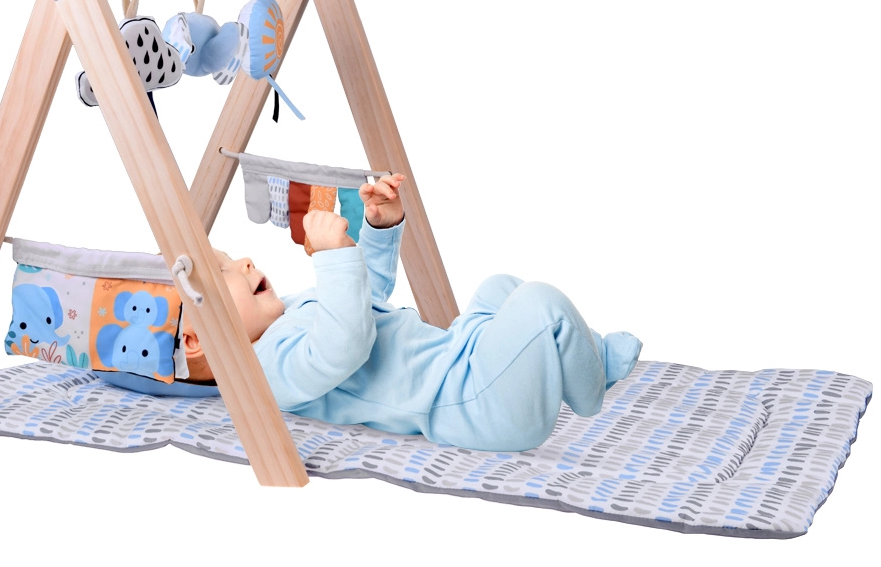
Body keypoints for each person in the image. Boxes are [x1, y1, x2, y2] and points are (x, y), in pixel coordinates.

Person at [181, 173, 642, 452]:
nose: (244, 261)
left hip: (461, 355)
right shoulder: (264, 371)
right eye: (223, 270)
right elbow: (344, 348)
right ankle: (594, 373)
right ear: (196, 340)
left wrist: (379, 229)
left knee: (498, 286)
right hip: (475, 405)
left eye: (231, 257)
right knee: (542, 306)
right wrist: (333, 258)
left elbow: (369, 295)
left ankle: (567, 363)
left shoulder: (294, 309)